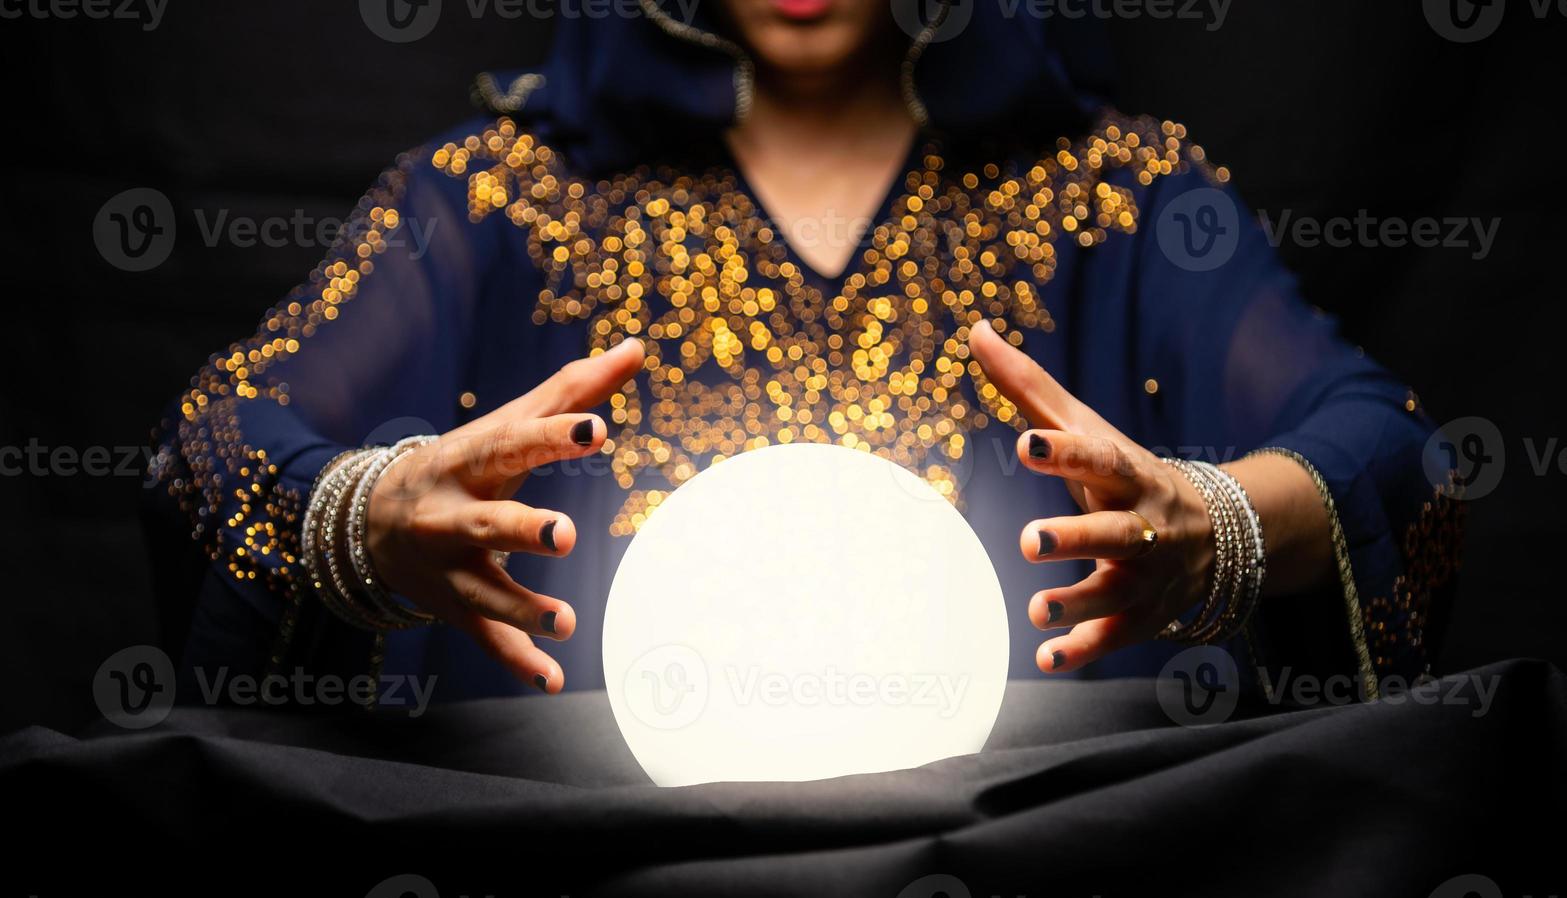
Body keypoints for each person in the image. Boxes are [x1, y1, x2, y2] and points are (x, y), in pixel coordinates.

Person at [146, 0, 1461, 705]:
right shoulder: (505, 199)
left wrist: (1217, 520)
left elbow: (1388, 445)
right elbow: (217, 441)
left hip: (1019, 891)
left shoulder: (1112, 197)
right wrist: (360, 521)